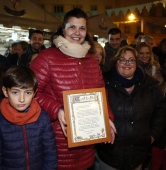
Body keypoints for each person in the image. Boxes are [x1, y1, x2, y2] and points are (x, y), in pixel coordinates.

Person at [30, 8, 115, 170]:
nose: (77, 32)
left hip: (86, 146)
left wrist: (107, 118)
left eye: (82, 28)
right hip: (55, 145)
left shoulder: (91, 61)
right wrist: (57, 109)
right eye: (72, 27)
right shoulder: (47, 58)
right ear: (63, 29)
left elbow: (101, 94)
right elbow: (31, 93)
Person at [96, 46, 166, 170]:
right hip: (109, 153)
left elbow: (160, 111)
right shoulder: (102, 82)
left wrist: (154, 134)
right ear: (115, 62)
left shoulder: (150, 85)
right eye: (122, 59)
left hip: (138, 155)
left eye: (131, 60)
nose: (127, 63)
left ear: (136, 63)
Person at [0, 65, 57, 169]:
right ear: (5, 91)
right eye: (15, 92)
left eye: (28, 92)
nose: (22, 99)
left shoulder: (42, 118)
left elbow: (50, 153)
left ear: (34, 93)